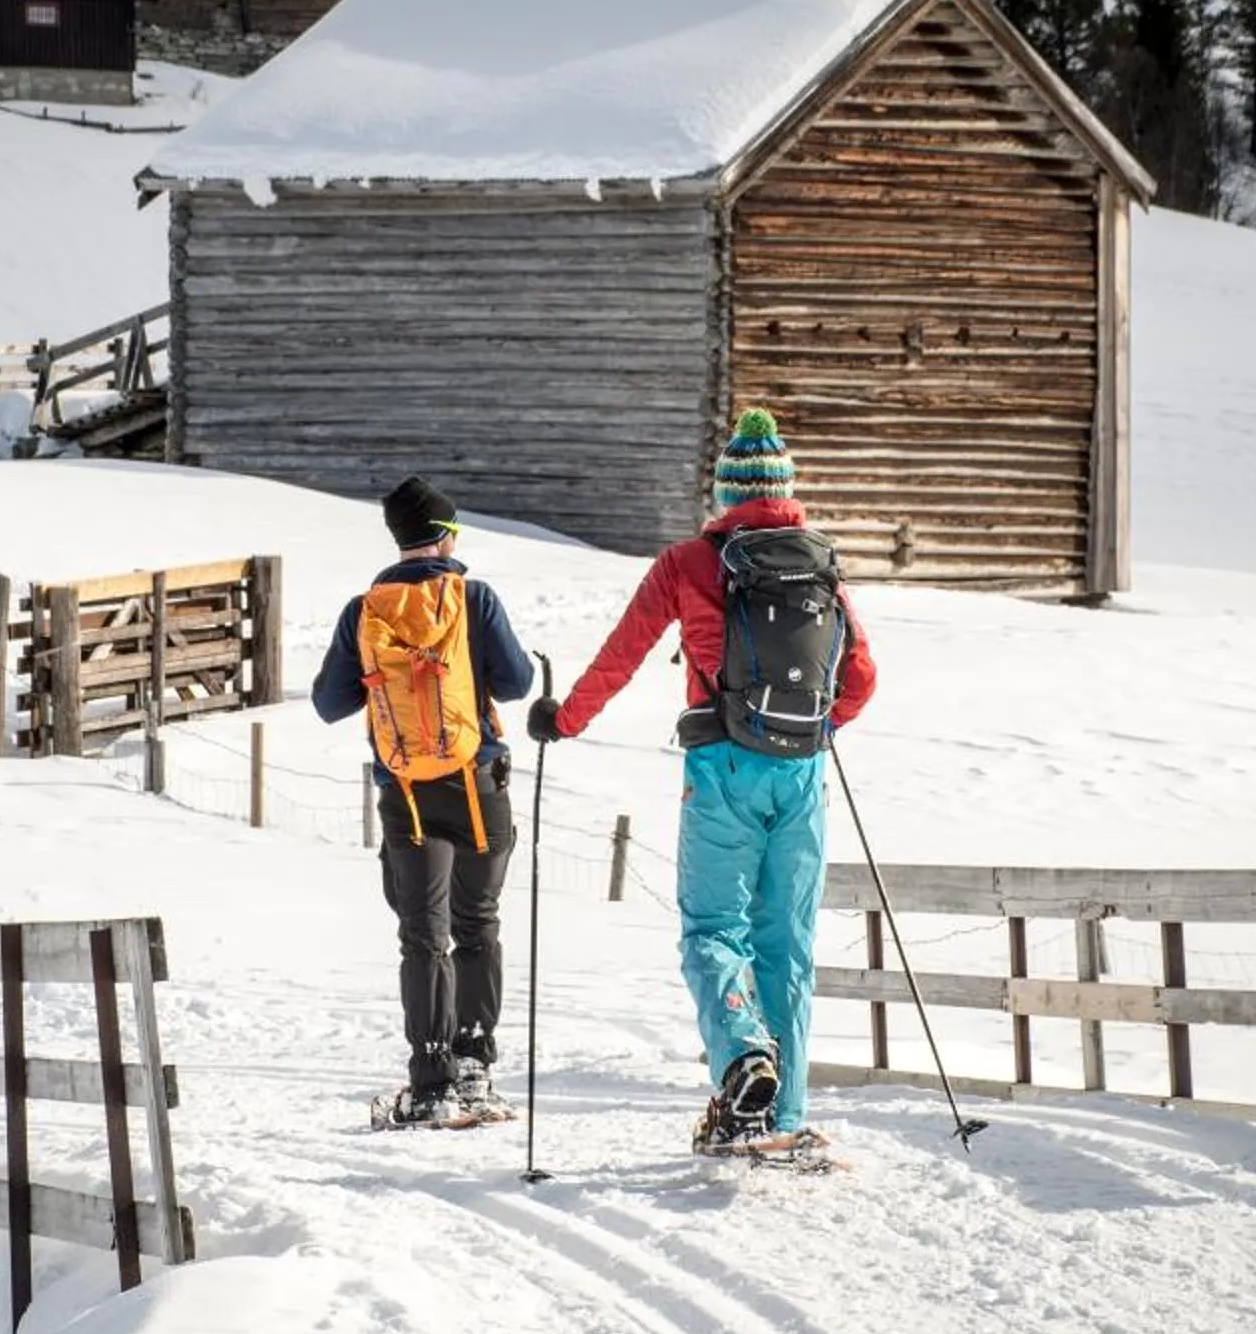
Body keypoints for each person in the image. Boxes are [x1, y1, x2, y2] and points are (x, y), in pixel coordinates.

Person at [530, 410, 876, 1152]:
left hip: (721, 766)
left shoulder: (688, 564)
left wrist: (564, 722)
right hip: (803, 773)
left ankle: (745, 1056)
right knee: (789, 943)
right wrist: (819, 731)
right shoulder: (821, 564)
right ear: (785, 490)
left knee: (715, 928)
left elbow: (621, 656)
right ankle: (784, 1119)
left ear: (725, 494)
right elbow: (863, 674)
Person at [314, 477, 536, 1125]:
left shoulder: (365, 611)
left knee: (423, 936)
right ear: (445, 537)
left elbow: (329, 705)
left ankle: (432, 1080)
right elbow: (518, 683)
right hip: (479, 787)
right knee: (479, 923)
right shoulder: (475, 598)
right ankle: (475, 1068)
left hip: (407, 795)